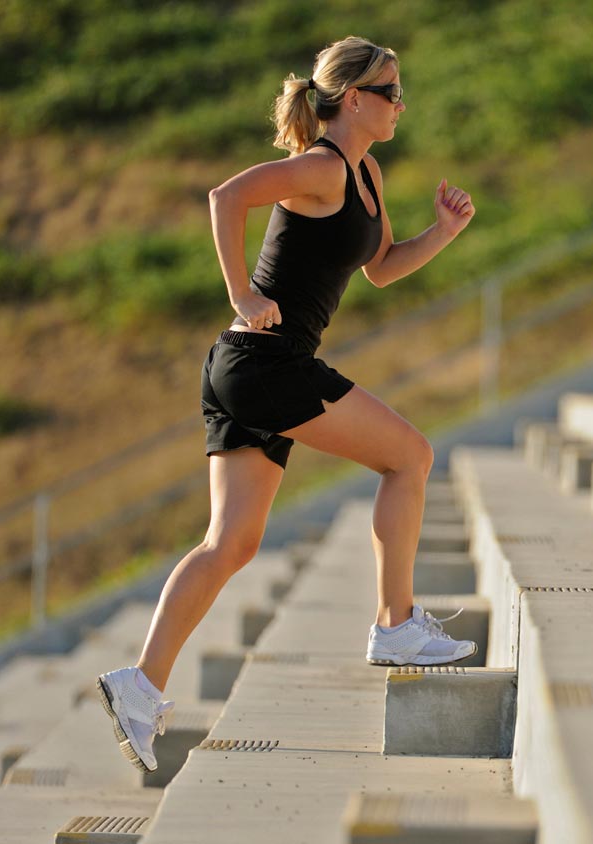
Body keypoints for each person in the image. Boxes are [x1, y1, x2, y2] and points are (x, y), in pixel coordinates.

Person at [94, 36, 478, 774]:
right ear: (355, 99)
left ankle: (138, 687)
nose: (403, 103)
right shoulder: (321, 167)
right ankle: (395, 625)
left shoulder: (365, 172)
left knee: (231, 544)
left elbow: (384, 269)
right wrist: (242, 292)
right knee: (411, 457)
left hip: (249, 368)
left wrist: (447, 231)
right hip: (265, 362)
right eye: (392, 91)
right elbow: (225, 196)